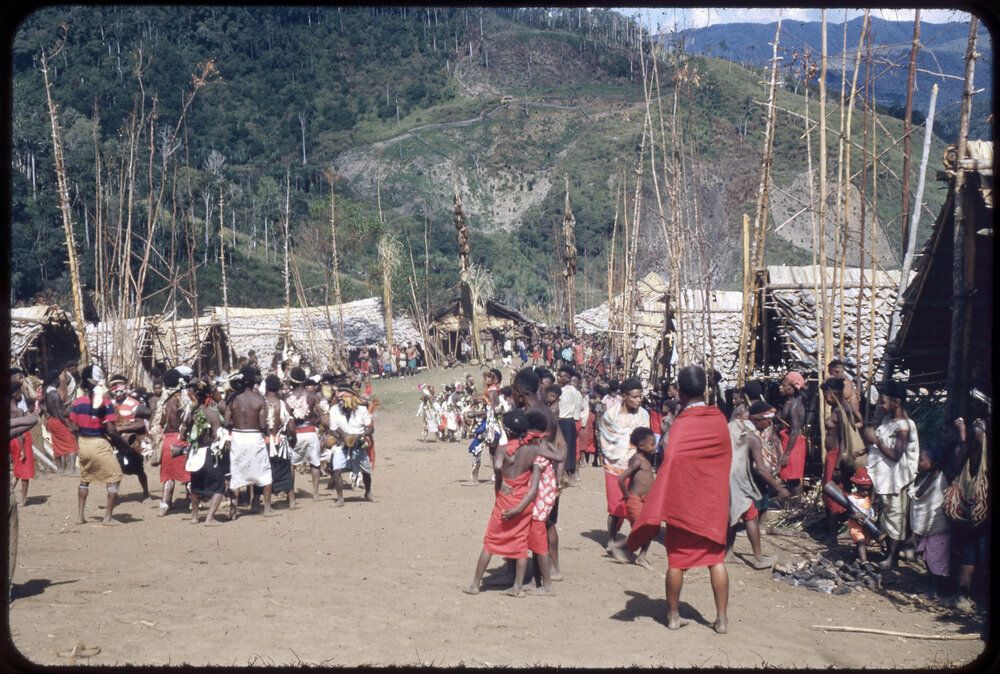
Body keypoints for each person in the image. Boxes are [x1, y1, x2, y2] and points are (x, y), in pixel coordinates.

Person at [626, 365, 732, 634]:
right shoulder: (719, 419)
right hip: (713, 503)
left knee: (677, 561)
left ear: (681, 394)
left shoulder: (682, 424)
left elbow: (672, 460)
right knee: (716, 560)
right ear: (705, 391)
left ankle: (673, 617)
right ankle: (721, 620)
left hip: (683, 504)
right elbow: (724, 459)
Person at [511, 368, 567, 580]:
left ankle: (537, 576)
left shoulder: (531, 415)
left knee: (536, 525)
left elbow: (532, 450)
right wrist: (558, 475)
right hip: (548, 475)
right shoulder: (548, 412)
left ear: (519, 391)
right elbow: (562, 444)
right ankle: (554, 569)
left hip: (535, 477)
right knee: (548, 523)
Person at [862, 380, 919, 570]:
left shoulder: (904, 426)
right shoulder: (888, 421)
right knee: (887, 517)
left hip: (897, 480)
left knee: (895, 519)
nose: (880, 405)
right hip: (887, 479)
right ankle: (889, 555)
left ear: (896, 402)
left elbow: (896, 455)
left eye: (883, 401)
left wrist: (875, 440)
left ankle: (892, 559)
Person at [726, 400, 789, 570]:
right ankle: (758, 559)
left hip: (726, 478)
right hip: (739, 482)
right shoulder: (753, 438)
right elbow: (761, 469)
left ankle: (728, 554)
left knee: (733, 517)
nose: (768, 424)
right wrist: (779, 488)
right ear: (757, 419)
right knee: (751, 517)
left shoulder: (732, 427)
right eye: (767, 420)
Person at [67, 365, 124, 525]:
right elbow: (111, 429)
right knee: (115, 476)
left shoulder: (78, 402)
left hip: (83, 443)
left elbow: (74, 427)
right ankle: (108, 517)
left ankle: (80, 516)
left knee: (85, 479)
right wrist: (121, 443)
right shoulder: (105, 402)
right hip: (99, 442)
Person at [598, 378, 650, 551]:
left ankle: (636, 541)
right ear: (624, 397)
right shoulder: (610, 415)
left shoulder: (643, 415)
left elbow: (645, 440)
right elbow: (605, 437)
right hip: (614, 466)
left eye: (640, 397)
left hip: (634, 467)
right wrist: (621, 447)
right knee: (615, 506)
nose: (638, 400)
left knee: (635, 505)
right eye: (634, 397)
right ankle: (611, 540)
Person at [225, 366, 276, 517]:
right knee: (264, 472)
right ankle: (267, 508)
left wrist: (237, 424)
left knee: (236, 472)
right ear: (254, 381)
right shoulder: (259, 399)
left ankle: (233, 509)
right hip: (254, 436)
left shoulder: (232, 399)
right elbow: (262, 424)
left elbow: (226, 422)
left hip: (238, 436)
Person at [609, 427, 657, 569]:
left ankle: (641, 557)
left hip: (646, 501)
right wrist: (626, 494)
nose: (654, 447)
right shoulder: (637, 460)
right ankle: (619, 546)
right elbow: (621, 479)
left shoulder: (647, 459)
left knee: (652, 528)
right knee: (641, 530)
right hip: (635, 501)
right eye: (652, 444)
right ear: (641, 445)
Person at [907, 443, 950, 600]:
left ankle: (936, 590)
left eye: (922, 459)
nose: (919, 462)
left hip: (937, 528)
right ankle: (932, 586)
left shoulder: (941, 480)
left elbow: (929, 502)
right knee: (927, 558)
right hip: (927, 529)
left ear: (935, 462)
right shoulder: (927, 477)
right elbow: (918, 494)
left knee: (935, 560)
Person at [187, 379, 228, 525]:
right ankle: (209, 518)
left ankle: (194, 517)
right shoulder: (213, 414)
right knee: (220, 486)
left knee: (196, 486)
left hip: (195, 453)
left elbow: (183, 434)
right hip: (210, 453)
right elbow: (217, 436)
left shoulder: (191, 413)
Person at [820, 377, 855, 544]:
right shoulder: (837, 408)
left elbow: (843, 441)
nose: (825, 399)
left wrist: (838, 466)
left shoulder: (842, 410)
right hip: (832, 456)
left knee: (834, 493)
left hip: (836, 457)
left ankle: (833, 535)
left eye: (826, 395)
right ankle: (831, 531)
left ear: (833, 393)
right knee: (831, 492)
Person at [254, 374, 297, 511]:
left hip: (263, 443)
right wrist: (293, 442)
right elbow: (291, 427)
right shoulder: (283, 405)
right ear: (279, 388)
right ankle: (291, 502)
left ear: (266, 387)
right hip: (280, 443)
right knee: (285, 472)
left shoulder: (260, 404)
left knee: (261, 473)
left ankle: (256, 502)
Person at [156, 368, 194, 517]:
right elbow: (188, 419)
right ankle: (192, 504)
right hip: (181, 440)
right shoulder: (182, 400)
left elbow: (159, 421)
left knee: (168, 476)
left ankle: (164, 506)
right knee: (188, 475)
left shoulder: (163, 401)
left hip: (167, 441)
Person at [107, 374, 151, 501]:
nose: (118, 394)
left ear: (125, 389)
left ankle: (146, 493)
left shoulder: (134, 403)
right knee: (113, 470)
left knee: (139, 469)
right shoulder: (110, 404)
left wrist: (121, 429)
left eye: (120, 391)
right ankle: (111, 498)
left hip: (131, 442)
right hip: (115, 442)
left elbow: (140, 424)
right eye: (115, 391)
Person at [328, 387, 375, 505]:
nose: (340, 403)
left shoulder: (361, 410)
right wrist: (342, 437)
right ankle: (340, 498)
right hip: (341, 445)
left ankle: (368, 492)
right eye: (339, 400)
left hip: (359, 444)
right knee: (336, 470)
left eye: (342, 400)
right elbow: (332, 430)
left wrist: (360, 435)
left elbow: (371, 429)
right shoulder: (334, 410)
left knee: (366, 471)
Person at [285, 367, 322, 500]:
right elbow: (321, 415)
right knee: (315, 463)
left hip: (295, 434)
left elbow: (287, 419)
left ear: (292, 381)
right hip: (310, 432)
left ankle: (291, 494)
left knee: (292, 464)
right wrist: (312, 423)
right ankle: (315, 493)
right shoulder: (313, 397)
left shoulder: (287, 398)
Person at [775, 371, 807, 498]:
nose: (780, 387)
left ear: (793, 389)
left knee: (794, 478)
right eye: (781, 384)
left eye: (784, 385)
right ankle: (794, 504)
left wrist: (787, 453)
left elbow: (795, 431)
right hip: (789, 442)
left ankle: (798, 504)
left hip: (794, 444)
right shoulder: (788, 403)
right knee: (789, 477)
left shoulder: (795, 405)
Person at [42, 369, 78, 474]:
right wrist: (69, 426)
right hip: (59, 421)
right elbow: (60, 412)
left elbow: (41, 404)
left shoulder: (47, 391)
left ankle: (60, 470)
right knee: (71, 444)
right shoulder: (55, 394)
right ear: (56, 380)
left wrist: (47, 413)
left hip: (51, 421)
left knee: (57, 445)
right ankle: (72, 470)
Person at [9, 382, 36, 506]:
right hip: (21, 442)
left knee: (17, 468)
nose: (21, 395)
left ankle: (10, 492)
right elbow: (20, 433)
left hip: (12, 441)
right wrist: (22, 450)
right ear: (15, 394)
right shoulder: (18, 411)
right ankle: (23, 498)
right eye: (20, 393)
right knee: (25, 470)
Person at [555, 365, 582, 486]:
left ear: (567, 378)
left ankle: (563, 475)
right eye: (558, 375)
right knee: (570, 448)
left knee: (562, 447)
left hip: (563, 421)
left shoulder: (562, 391)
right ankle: (571, 474)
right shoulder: (575, 391)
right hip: (571, 421)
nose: (558, 377)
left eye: (561, 376)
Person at [846, 467, 876, 564]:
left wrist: (872, 519)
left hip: (866, 524)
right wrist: (854, 517)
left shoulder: (868, 498)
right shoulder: (852, 498)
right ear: (856, 486)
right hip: (855, 524)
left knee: (863, 542)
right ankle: (864, 561)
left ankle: (853, 559)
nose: (866, 493)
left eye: (868, 490)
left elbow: (870, 510)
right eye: (863, 490)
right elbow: (847, 512)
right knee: (861, 541)